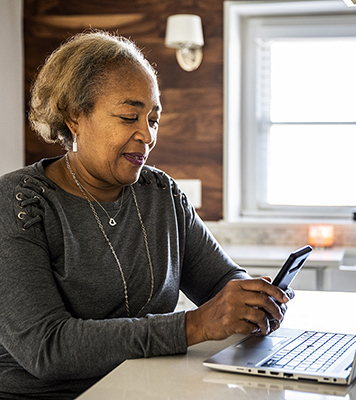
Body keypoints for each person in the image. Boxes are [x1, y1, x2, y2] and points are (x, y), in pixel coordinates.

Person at [0, 30, 293, 398]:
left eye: (153, 119)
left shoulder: (161, 195)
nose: (148, 135)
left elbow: (221, 281)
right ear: (75, 118)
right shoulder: (17, 203)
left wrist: (250, 299)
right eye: (128, 117)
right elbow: (48, 348)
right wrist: (194, 326)